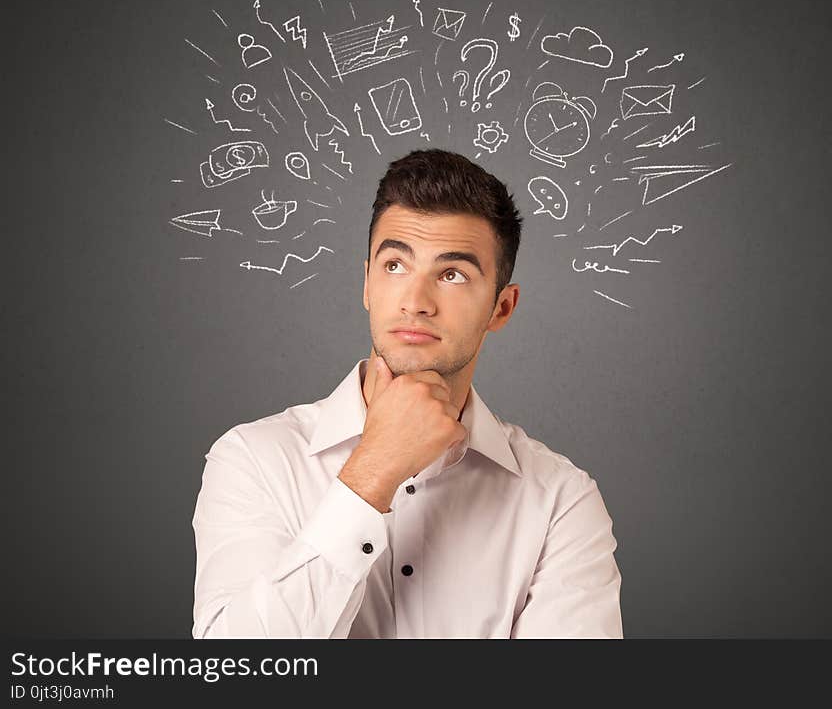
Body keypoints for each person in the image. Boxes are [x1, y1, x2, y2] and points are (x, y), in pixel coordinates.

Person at [191, 149, 623, 638]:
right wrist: (372, 472)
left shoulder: (560, 501)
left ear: (502, 308)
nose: (415, 303)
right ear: (367, 285)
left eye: (452, 274)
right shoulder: (253, 461)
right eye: (395, 265)